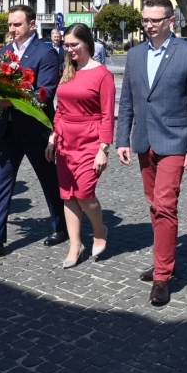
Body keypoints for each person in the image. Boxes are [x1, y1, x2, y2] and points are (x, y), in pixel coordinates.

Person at [115, 0, 187, 306]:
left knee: (166, 205)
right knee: (154, 205)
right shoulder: (135, 55)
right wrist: (122, 139)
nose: (149, 25)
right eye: (146, 20)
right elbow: (127, 101)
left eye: (155, 20)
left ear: (170, 21)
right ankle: (163, 260)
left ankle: (162, 276)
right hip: (144, 141)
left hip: (175, 141)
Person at [0, 4, 66, 260]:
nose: (12, 29)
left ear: (31, 25)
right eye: (10, 24)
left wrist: (6, 100)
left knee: (48, 181)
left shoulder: (46, 53)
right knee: (1, 184)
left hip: (36, 130)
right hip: (8, 129)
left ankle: (61, 225)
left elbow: (44, 95)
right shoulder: (4, 52)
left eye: (17, 24)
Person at [45, 23, 115, 268]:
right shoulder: (68, 71)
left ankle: (99, 230)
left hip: (90, 141)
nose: (70, 49)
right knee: (68, 195)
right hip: (65, 141)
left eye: (74, 44)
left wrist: (103, 149)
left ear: (87, 43)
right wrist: (53, 138)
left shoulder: (102, 74)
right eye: (66, 45)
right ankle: (75, 245)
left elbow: (108, 115)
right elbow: (61, 109)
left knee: (84, 193)